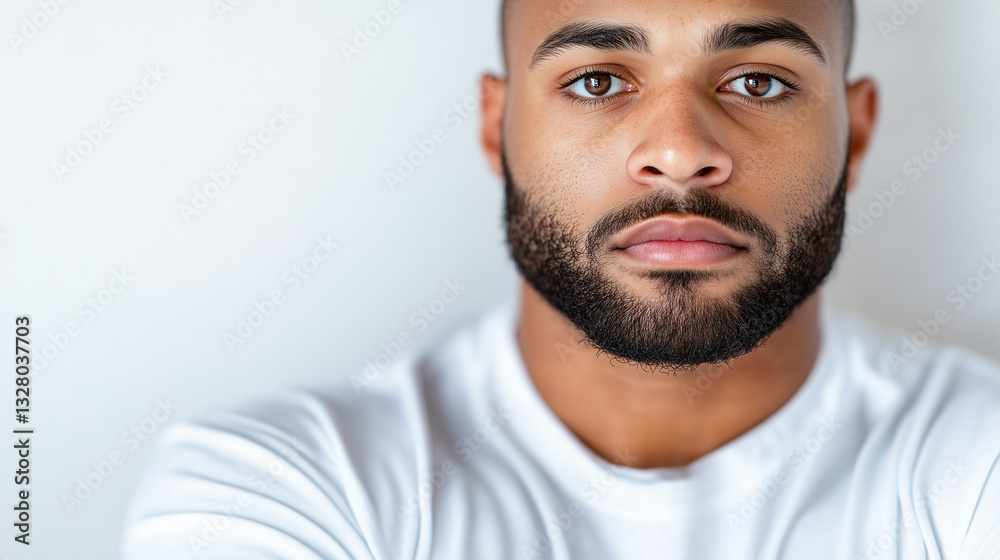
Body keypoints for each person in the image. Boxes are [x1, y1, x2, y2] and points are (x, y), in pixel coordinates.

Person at [121, 0, 1000, 558]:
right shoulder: (281, 484)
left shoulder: (977, 461)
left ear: (858, 133)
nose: (680, 155)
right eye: (596, 81)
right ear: (497, 128)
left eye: (759, 81)